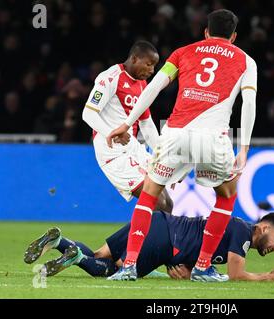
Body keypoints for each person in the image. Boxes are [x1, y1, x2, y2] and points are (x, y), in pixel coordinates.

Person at [105, 9, 257, 282]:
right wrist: (244, 148)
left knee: (150, 195)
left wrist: (128, 123)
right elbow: (249, 104)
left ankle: (129, 265)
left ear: (206, 32)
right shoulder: (246, 61)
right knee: (226, 197)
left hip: (174, 133)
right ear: (233, 36)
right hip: (213, 138)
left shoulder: (182, 52)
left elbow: (151, 88)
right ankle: (202, 266)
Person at [24, 211, 274, 282]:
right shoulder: (244, 233)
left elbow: (201, 244)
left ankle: (60, 242)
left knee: (99, 254)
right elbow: (236, 275)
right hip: (166, 241)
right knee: (108, 270)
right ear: (265, 228)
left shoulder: (235, 226)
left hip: (154, 223)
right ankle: (75, 256)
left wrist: (189, 268)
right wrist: (268, 276)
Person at [81, 40, 174, 214]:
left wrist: (162, 154)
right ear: (134, 58)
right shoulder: (109, 78)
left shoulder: (142, 84)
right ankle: (136, 241)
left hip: (133, 148)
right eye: (148, 64)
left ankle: (153, 241)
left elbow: (146, 124)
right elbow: (88, 113)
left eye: (154, 66)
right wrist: (112, 133)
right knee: (158, 203)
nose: (152, 70)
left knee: (167, 204)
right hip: (113, 154)